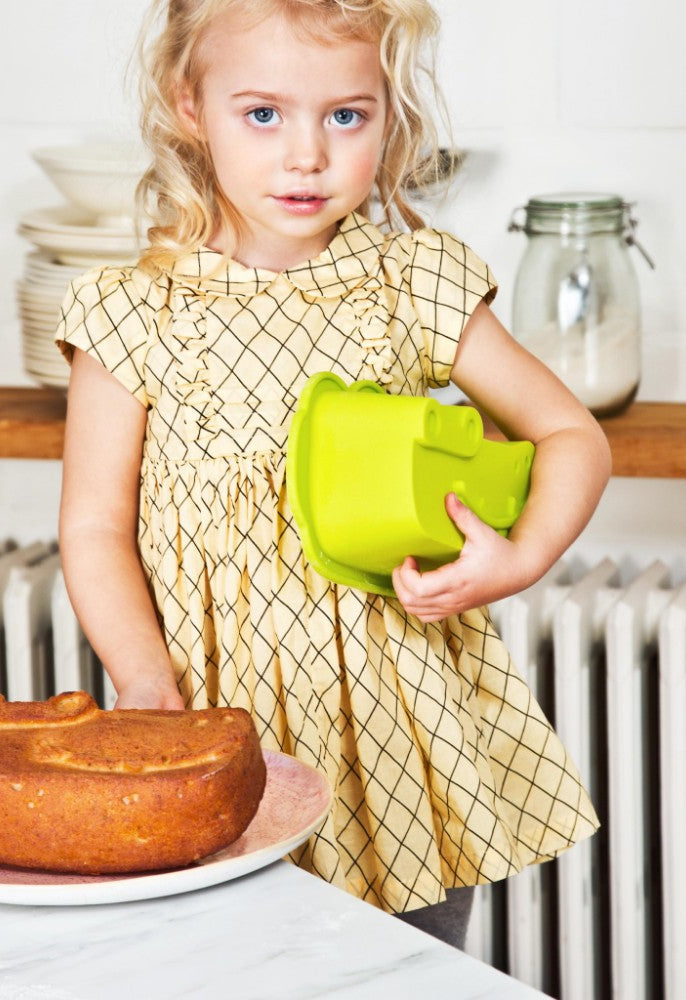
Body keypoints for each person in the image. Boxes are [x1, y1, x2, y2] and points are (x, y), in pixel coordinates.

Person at [55, 0, 610, 949]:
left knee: (404, 965)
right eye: (263, 114)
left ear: (389, 115)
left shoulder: (412, 282)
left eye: (346, 116)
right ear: (190, 105)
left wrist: (517, 559)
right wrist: (146, 681)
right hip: (214, 722)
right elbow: (94, 527)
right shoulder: (130, 310)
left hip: (398, 727)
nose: (306, 156)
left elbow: (572, 436)